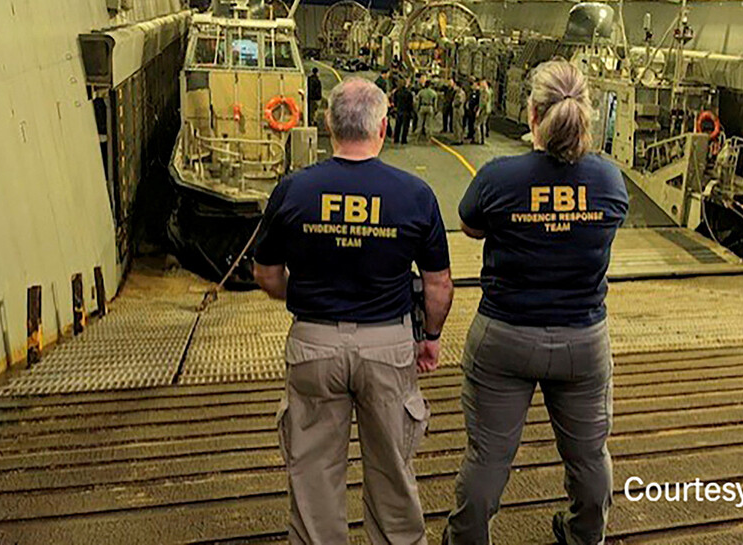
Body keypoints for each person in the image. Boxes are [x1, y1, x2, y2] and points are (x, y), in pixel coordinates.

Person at [254, 78, 455, 545]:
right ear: (383, 127)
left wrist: (302, 297)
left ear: (328, 126)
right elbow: (438, 284)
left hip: (314, 345)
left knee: (313, 478)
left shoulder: (294, 190)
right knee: (392, 472)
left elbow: (265, 273)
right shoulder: (415, 193)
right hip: (388, 345)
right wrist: (430, 336)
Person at [444, 61, 629, 545]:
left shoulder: (499, 177)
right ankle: (585, 534)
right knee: (589, 456)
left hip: (505, 336)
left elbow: (471, 226)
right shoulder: (609, 182)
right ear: (587, 114)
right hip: (582, 341)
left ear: (532, 114)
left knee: (487, 457)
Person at [392, 77, 414, 145]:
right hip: (406, 111)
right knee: (405, 126)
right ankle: (403, 139)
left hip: (399, 110)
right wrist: (411, 111)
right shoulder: (408, 93)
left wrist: (396, 107)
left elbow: (394, 101)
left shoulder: (397, 92)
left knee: (398, 125)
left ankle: (396, 139)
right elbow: (411, 103)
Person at [475, 79, 492, 144]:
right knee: (483, 124)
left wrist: (478, 110)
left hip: (484, 110)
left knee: (478, 124)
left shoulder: (485, 92)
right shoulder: (488, 91)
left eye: (482, 83)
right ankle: (482, 139)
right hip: (487, 109)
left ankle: (478, 139)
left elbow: (483, 102)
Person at [465, 78, 479, 144]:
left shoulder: (478, 93)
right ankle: (469, 134)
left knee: (474, 124)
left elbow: (478, 102)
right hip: (470, 110)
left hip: (474, 110)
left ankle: (474, 136)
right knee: (470, 123)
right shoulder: (471, 92)